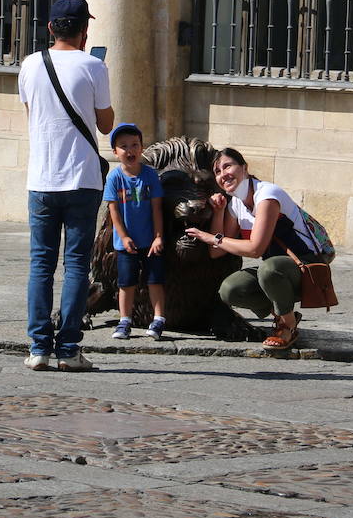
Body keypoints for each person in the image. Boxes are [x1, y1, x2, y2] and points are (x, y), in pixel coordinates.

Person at [17, 0, 114, 372]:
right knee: (75, 265)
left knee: (40, 264)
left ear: (49, 27)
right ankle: (69, 349)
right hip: (82, 179)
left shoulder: (30, 64)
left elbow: (32, 113)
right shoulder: (93, 66)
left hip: (42, 177)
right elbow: (106, 125)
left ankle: (38, 347)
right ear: (84, 30)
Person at [184, 147, 323, 350]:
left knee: (269, 269)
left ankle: (287, 327)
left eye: (227, 166)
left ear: (244, 168)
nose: (223, 174)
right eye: (218, 171)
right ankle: (284, 312)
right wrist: (219, 212)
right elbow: (217, 251)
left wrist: (211, 237)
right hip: (277, 271)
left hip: (307, 264)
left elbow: (255, 249)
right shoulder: (236, 205)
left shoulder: (267, 195)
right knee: (230, 289)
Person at [103, 122, 168, 340]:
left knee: (154, 280)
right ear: (115, 152)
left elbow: (157, 208)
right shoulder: (114, 178)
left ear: (142, 147)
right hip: (126, 243)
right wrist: (123, 237)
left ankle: (159, 319)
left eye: (134, 145)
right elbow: (114, 212)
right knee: (126, 282)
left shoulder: (150, 176)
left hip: (150, 240)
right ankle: (125, 320)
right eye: (124, 146)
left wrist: (158, 237)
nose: (130, 150)